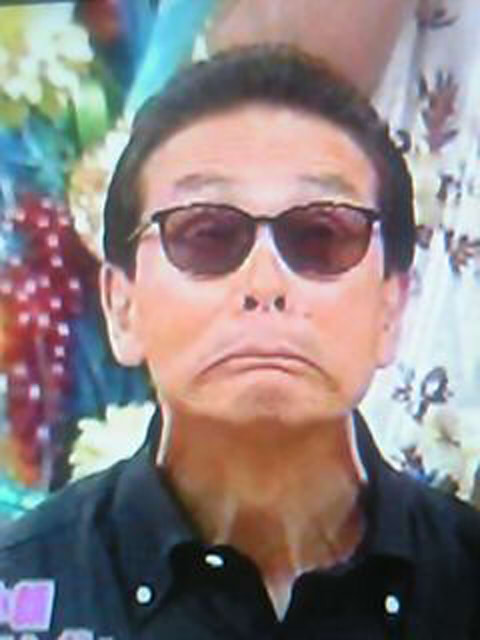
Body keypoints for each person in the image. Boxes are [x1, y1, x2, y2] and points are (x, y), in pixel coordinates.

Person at [1, 45, 480, 640]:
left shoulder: (464, 586)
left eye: (320, 235)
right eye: (207, 234)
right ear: (122, 306)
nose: (265, 284)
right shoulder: (20, 593)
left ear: (391, 308)